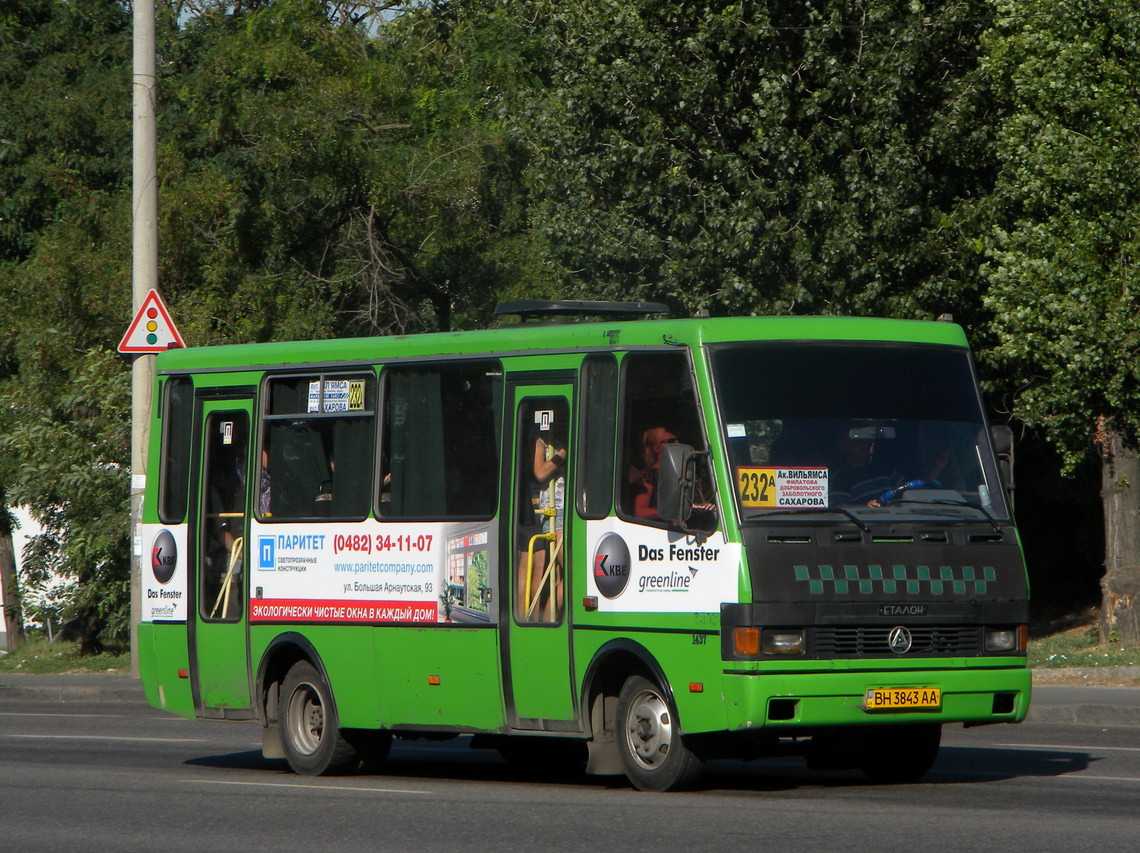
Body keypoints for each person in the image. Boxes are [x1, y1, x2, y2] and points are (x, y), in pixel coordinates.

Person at [517, 417, 567, 621]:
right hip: (555, 512)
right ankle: (546, 625)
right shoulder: (542, 441)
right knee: (571, 576)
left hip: (564, 510)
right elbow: (540, 472)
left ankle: (546, 624)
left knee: (555, 578)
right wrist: (563, 452)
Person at [629, 427, 679, 520]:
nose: (677, 444)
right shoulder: (648, 475)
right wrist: (674, 512)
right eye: (670, 441)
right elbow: (640, 511)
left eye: (677, 440)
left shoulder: (682, 473)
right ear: (656, 448)